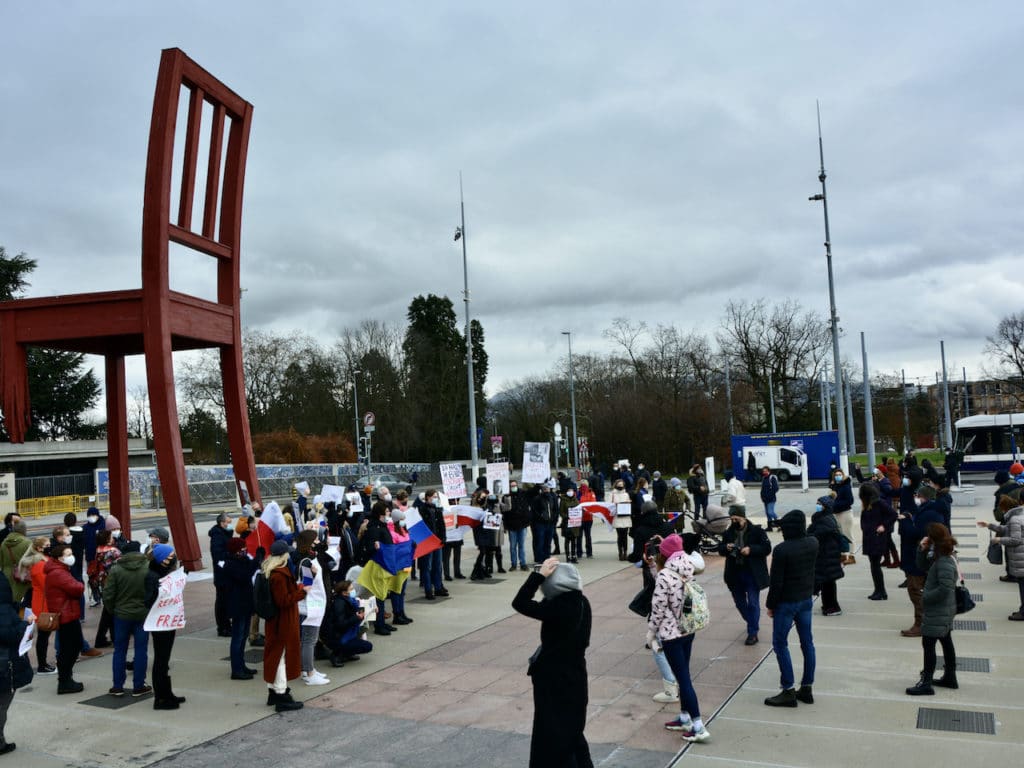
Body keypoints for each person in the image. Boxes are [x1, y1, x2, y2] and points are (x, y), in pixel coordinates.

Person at [512, 558, 593, 767]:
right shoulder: (581, 601)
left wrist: (537, 576)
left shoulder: (559, 607)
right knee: (573, 734)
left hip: (554, 678)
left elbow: (520, 602)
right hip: (575, 677)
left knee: (552, 737)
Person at [648, 534, 710, 743]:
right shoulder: (687, 565)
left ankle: (698, 725)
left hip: (670, 633)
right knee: (683, 673)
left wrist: (650, 633)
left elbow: (658, 607)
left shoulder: (665, 574)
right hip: (687, 628)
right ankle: (684, 717)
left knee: (683, 679)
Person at [764, 510, 819, 707]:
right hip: (805, 598)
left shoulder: (782, 550)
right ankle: (807, 687)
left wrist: (771, 605)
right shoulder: (813, 542)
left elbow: (776, 582)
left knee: (780, 644)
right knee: (807, 643)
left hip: (787, 602)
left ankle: (788, 689)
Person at [906, 523, 960, 695]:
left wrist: (925, 597)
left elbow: (945, 588)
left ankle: (926, 683)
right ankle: (950, 677)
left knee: (928, 644)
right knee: (945, 640)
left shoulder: (944, 560)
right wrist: (922, 549)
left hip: (939, 610)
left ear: (933, 538)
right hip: (943, 610)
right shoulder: (941, 554)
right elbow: (922, 567)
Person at [263, 539, 307, 712]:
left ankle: (273, 692)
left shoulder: (271, 571)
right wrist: (302, 593)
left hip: (276, 621)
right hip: (283, 622)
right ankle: (281, 695)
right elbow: (283, 601)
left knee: (275, 656)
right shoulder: (279, 575)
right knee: (280, 658)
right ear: (283, 556)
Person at [103, 540, 152, 697]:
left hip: (121, 615)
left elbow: (108, 594)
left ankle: (117, 686)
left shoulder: (116, 570)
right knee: (141, 650)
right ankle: (139, 685)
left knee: (120, 651)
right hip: (143, 614)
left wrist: (113, 610)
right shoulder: (148, 567)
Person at [718, 506, 771, 645]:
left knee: (753, 603)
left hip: (752, 573)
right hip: (734, 573)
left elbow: (767, 548)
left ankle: (752, 633)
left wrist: (751, 549)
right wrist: (726, 547)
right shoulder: (728, 532)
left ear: (744, 517)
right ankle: (753, 623)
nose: (734, 521)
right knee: (740, 604)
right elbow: (721, 549)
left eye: (737, 518)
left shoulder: (757, 531)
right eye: (732, 519)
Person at [897, 484, 945, 637]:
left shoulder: (928, 514)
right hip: (923, 559)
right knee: (921, 591)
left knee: (915, 591)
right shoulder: (931, 511)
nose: (915, 499)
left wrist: (904, 521)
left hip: (918, 559)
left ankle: (921, 624)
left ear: (922, 497)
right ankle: (928, 620)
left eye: (917, 496)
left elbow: (915, 534)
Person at [143, 544, 186, 709]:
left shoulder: (164, 572)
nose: (172, 559)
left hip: (168, 622)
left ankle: (167, 693)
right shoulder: (152, 576)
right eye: (169, 557)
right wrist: (159, 593)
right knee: (160, 661)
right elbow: (148, 600)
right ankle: (160, 698)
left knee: (164, 660)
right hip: (160, 624)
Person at [44, 543, 86, 693]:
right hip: (66, 615)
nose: (71, 557)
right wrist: (80, 583)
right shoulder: (58, 573)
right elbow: (77, 588)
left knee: (70, 647)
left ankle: (66, 679)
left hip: (67, 613)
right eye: (68, 555)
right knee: (70, 648)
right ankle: (65, 681)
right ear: (59, 558)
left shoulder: (60, 570)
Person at [977, 496, 1024, 620]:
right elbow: (1008, 530)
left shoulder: (1014, 518)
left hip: (1020, 558)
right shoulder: (1018, 516)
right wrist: (989, 525)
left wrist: (999, 539)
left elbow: (1015, 539)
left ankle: (1023, 612)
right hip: (1021, 557)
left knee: (1023, 586)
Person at [222, 538, 259, 679]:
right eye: (242, 549)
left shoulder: (242, 561)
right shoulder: (230, 564)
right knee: (237, 638)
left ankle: (241, 665)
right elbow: (244, 575)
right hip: (237, 605)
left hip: (245, 604)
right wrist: (256, 561)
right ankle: (236, 670)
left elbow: (250, 567)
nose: (244, 551)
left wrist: (257, 559)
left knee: (243, 637)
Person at [0, 573, 29, 755]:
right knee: (2, 703)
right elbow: (7, 634)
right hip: (4, 664)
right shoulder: (3, 610)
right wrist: (25, 625)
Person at [860, 483, 898, 600]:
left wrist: (884, 526)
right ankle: (878, 590)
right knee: (874, 566)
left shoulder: (879, 503)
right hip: (869, 537)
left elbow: (893, 514)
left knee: (875, 566)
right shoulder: (867, 504)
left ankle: (881, 591)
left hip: (877, 538)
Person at [808, 496, 844, 616]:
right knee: (827, 583)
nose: (817, 505)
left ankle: (833, 607)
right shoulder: (822, 518)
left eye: (820, 504)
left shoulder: (826, 520)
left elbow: (815, 534)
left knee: (828, 583)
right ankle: (829, 605)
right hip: (825, 555)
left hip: (827, 555)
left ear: (826, 506)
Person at [25, 536, 56, 674]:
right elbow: (47, 585)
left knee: (45, 635)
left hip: (45, 603)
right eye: (47, 545)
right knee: (43, 636)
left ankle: (43, 664)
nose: (50, 546)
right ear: (38, 548)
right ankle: (42, 665)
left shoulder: (44, 561)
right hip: (43, 605)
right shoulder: (39, 565)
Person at [325, 580, 373, 664]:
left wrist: (372, 609)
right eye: (351, 589)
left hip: (345, 633)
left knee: (364, 643)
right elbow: (340, 624)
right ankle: (338, 654)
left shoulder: (349, 600)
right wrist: (356, 617)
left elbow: (357, 610)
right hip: (338, 636)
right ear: (344, 592)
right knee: (367, 646)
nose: (353, 590)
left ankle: (347, 653)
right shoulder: (339, 603)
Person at [90, 529, 121, 647]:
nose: (113, 539)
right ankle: (113, 638)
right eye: (111, 537)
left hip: (103, 583)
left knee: (108, 611)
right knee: (111, 612)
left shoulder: (98, 550)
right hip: (114, 584)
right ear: (108, 540)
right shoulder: (113, 551)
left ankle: (102, 638)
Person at [418, 490, 450, 598]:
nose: (435, 498)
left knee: (437, 565)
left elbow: (442, 524)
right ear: (428, 497)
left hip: (437, 541)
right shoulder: (422, 509)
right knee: (428, 566)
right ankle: (428, 590)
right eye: (434, 496)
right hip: (428, 542)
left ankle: (438, 587)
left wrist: (443, 537)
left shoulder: (437, 509)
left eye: (436, 497)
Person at [208, 512, 234, 638]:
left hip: (226, 574)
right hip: (222, 575)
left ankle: (226, 625)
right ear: (222, 523)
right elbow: (218, 555)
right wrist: (232, 556)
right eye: (228, 522)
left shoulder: (224, 534)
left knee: (226, 601)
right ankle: (223, 627)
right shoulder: (217, 536)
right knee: (222, 602)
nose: (230, 525)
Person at [504, 480, 532, 571]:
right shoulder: (506, 496)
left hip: (522, 524)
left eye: (515, 485)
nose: (514, 487)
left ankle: (523, 563)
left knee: (521, 545)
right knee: (512, 546)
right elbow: (504, 511)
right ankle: (514, 564)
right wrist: (505, 525)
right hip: (511, 525)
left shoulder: (523, 494)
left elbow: (533, 491)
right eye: (512, 486)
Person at [829, 468, 855, 562]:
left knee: (847, 534)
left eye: (839, 474)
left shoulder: (846, 486)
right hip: (836, 513)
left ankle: (851, 556)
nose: (838, 476)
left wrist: (836, 505)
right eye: (836, 475)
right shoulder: (835, 486)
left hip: (845, 513)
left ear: (843, 475)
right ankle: (843, 554)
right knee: (840, 534)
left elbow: (850, 501)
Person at [531, 483, 559, 563]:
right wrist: (541, 518)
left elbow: (556, 510)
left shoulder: (552, 498)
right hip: (541, 524)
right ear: (542, 490)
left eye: (547, 489)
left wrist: (554, 520)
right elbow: (535, 512)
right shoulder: (537, 499)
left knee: (548, 542)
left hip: (550, 524)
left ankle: (547, 558)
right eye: (545, 489)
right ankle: (540, 560)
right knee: (540, 542)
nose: (546, 490)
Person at [609, 479, 632, 561]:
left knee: (625, 536)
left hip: (625, 517)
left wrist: (629, 503)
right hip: (617, 517)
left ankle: (625, 552)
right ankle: (620, 552)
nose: (620, 486)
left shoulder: (626, 494)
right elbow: (609, 506)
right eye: (619, 484)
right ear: (616, 485)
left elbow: (629, 504)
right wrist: (614, 504)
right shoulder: (612, 494)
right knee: (620, 536)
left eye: (622, 484)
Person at [760, 467, 780, 532]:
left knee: (770, 512)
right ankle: (769, 527)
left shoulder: (772, 478)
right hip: (765, 499)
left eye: (765, 471)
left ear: (769, 471)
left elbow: (776, 488)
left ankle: (780, 523)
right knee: (767, 513)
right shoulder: (764, 478)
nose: (764, 472)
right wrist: (762, 496)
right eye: (763, 471)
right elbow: (762, 489)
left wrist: (770, 495)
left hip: (771, 499)